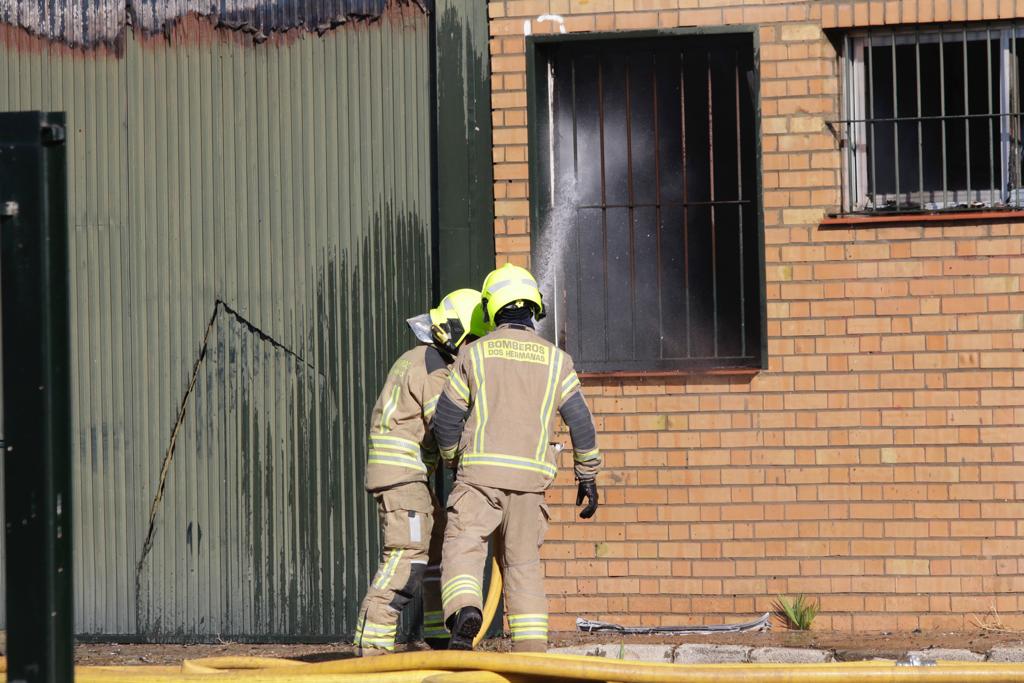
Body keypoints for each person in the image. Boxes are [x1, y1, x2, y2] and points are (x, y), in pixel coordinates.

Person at [431, 263, 600, 652]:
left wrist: (452, 458)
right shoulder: (558, 361)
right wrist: (587, 475)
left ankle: (465, 609)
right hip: (530, 485)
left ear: (491, 308)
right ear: (534, 306)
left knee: (464, 544)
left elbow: (446, 418)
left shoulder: (473, 354)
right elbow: (581, 422)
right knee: (523, 566)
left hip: (479, 479)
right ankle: (531, 652)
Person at [354, 288, 488, 656]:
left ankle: (437, 630)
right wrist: (471, 459)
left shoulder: (419, 357)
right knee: (408, 554)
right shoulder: (434, 369)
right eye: (474, 340)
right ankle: (373, 643)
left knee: (438, 542)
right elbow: (445, 427)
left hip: (409, 475)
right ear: (457, 334)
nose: (474, 349)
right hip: (403, 476)